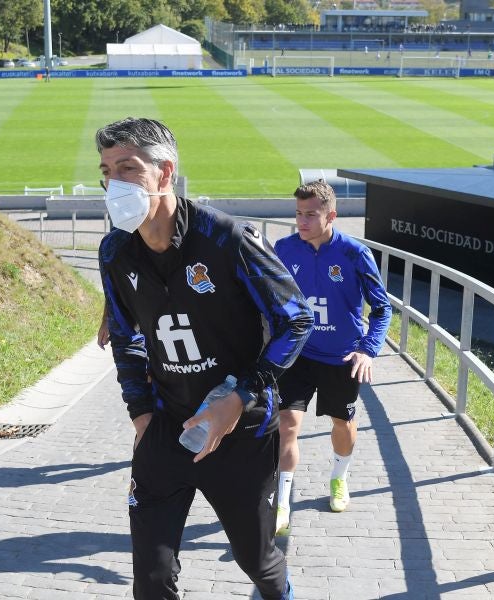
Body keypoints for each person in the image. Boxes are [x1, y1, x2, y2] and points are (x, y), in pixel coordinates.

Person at [96, 117, 312, 599]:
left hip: (243, 431)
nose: (114, 183)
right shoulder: (114, 252)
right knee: (150, 581)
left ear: (165, 174)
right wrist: (142, 415)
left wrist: (240, 397)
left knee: (255, 558)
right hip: (167, 428)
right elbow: (127, 337)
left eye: (128, 168)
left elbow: (296, 320)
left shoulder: (227, 239)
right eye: (106, 171)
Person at [272, 180, 391, 536]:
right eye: (298, 214)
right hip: (298, 354)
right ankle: (281, 503)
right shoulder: (284, 248)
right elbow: (270, 297)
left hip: (342, 358)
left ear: (331, 216)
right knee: (287, 424)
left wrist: (368, 350)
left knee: (342, 424)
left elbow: (382, 308)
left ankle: (339, 477)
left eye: (311, 214)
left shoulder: (354, 253)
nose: (302, 221)